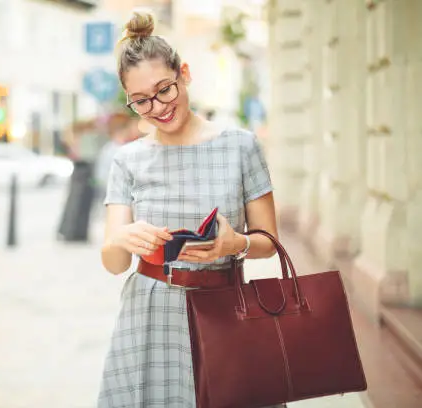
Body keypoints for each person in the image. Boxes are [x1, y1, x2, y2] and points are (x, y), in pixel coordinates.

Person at [98, 10, 282, 408]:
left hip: (225, 307)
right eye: (141, 101)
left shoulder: (240, 146)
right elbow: (113, 263)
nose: (158, 107)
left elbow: (268, 241)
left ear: (184, 73)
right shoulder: (127, 160)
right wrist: (120, 239)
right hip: (149, 313)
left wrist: (235, 244)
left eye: (165, 89)